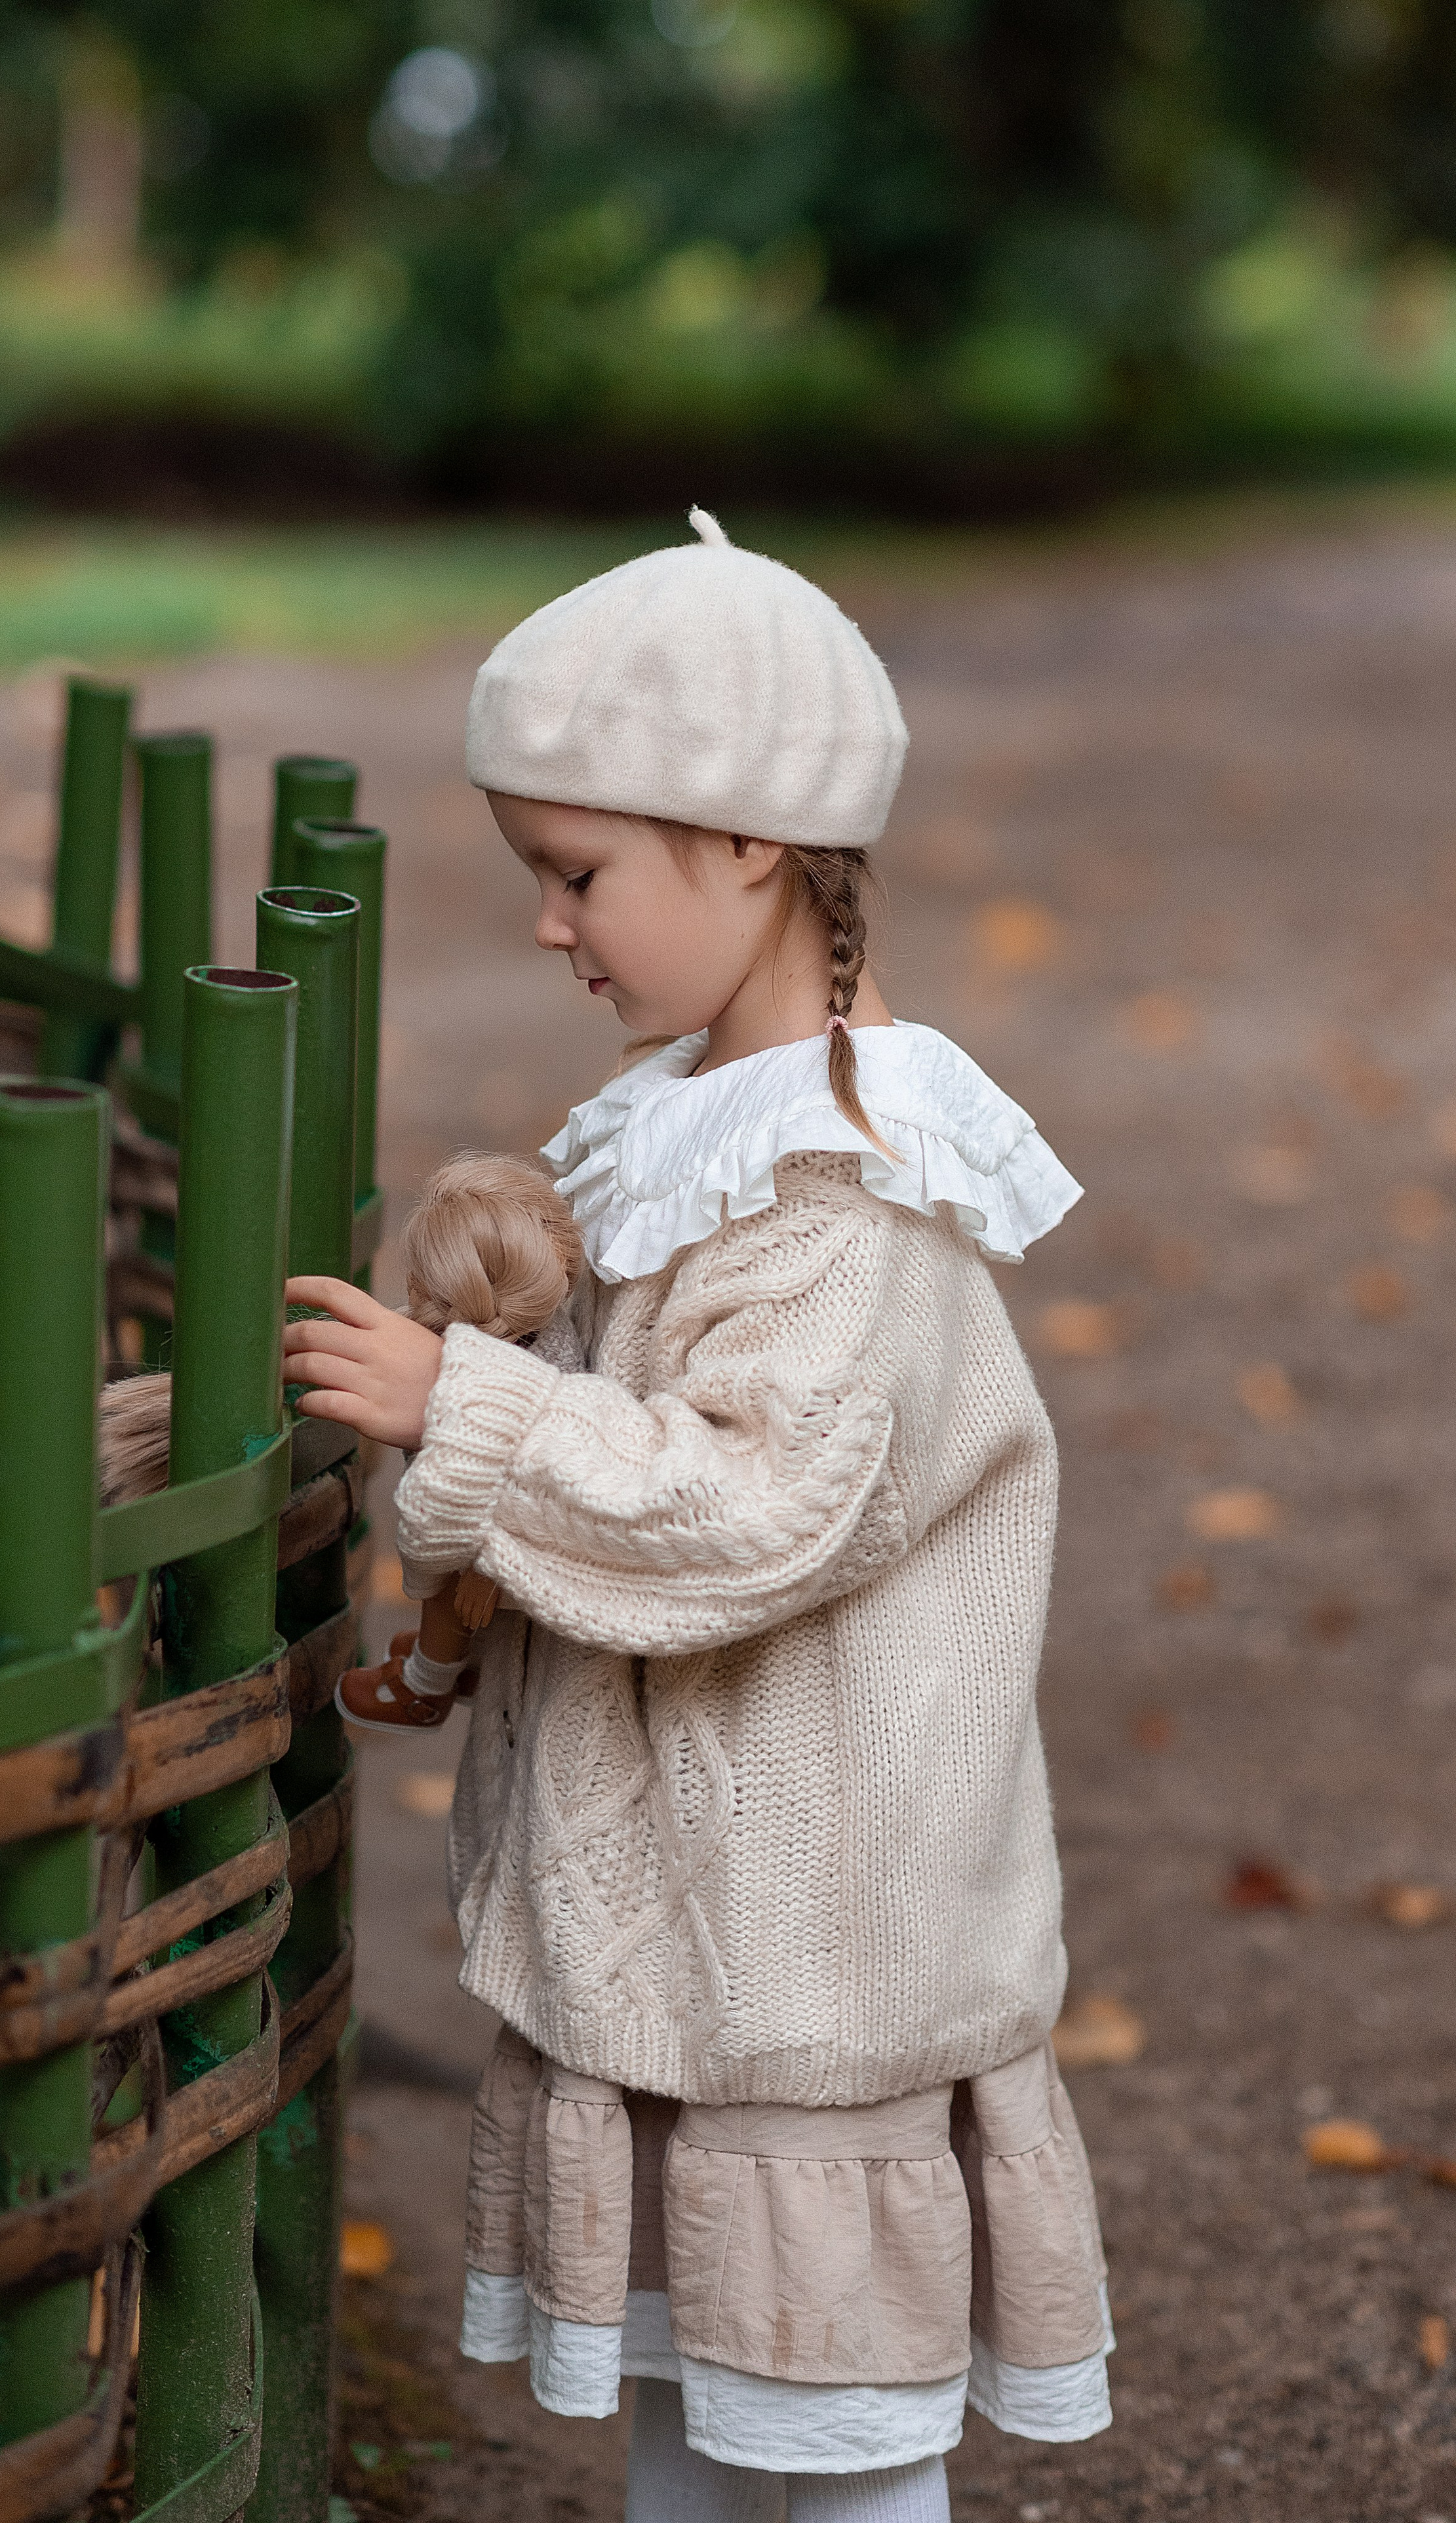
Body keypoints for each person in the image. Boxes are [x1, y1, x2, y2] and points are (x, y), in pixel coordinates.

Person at [284, 509, 1109, 2523]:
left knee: (825, 2446)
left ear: (746, 842)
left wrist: (460, 1405)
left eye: (576, 874)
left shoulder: (851, 1190)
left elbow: (757, 1502)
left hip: (809, 1963)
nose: (552, 926)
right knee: (698, 2412)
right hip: (709, 1950)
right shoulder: (687, 1126)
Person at [337, 1153, 583, 1732]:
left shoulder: (547, 1366)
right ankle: (464, 1660)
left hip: (483, 1532)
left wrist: (494, 1563)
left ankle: (424, 1687)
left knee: (442, 1584)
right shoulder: (521, 1338)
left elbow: (539, 1475)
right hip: (471, 1514)